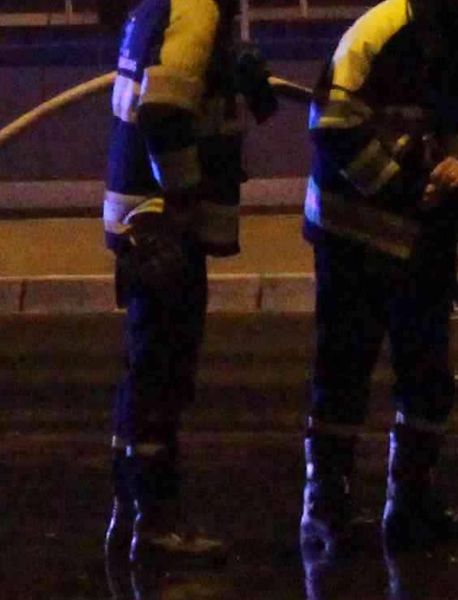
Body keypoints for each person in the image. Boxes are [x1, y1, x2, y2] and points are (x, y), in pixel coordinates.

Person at [298, 0, 458, 558]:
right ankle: (325, 509)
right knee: (344, 370)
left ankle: (410, 503)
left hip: (428, 243)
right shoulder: (378, 35)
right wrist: (404, 190)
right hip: (355, 237)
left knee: (427, 375)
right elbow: (332, 126)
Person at [101, 0, 278, 567]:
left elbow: (173, 92)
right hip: (162, 225)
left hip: (143, 221)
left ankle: (131, 509)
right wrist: (183, 197)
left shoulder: (166, 6)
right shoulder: (197, 8)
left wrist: (233, 74)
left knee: (148, 368)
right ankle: (155, 524)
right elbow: (163, 112)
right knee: (162, 376)